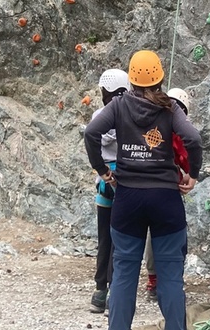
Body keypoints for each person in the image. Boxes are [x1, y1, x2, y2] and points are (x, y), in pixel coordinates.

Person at [84, 50, 202, 330]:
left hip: (128, 198)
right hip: (165, 199)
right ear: (159, 78)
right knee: (170, 275)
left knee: (124, 272)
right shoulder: (170, 107)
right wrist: (193, 175)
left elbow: (91, 133)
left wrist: (103, 171)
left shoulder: (119, 106)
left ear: (132, 79)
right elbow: (193, 139)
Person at [143, 87, 195, 299]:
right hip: (166, 190)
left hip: (140, 187)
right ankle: (168, 281)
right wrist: (189, 174)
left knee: (149, 236)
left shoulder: (146, 124)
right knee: (175, 233)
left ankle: (153, 281)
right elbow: (185, 156)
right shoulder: (176, 131)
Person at [89, 69, 131, 314]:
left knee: (104, 238)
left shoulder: (99, 116)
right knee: (121, 240)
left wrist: (102, 170)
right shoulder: (129, 115)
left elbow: (93, 138)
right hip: (125, 184)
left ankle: (99, 292)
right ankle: (115, 290)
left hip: (104, 183)